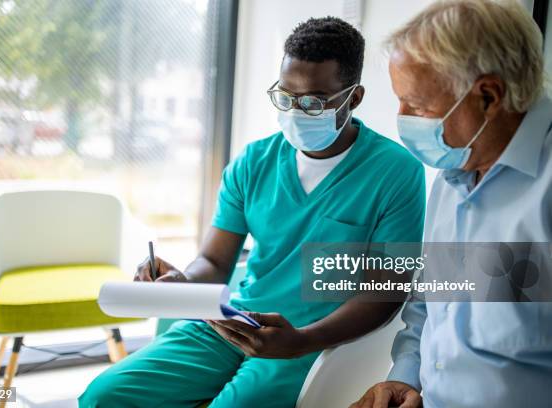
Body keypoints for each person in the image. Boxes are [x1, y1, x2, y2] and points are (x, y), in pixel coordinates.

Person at [80, 16, 425, 408]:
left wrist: (302, 341)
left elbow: (385, 293)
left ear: (354, 97)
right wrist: (182, 281)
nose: (296, 112)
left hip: (310, 335)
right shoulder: (254, 161)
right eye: (285, 97)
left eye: (313, 101)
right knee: (104, 396)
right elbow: (213, 260)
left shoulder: (396, 172)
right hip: (235, 320)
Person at [351, 1, 552, 407]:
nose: (402, 118)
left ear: (488, 97)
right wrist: (407, 378)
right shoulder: (457, 169)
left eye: (419, 106)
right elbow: (428, 301)